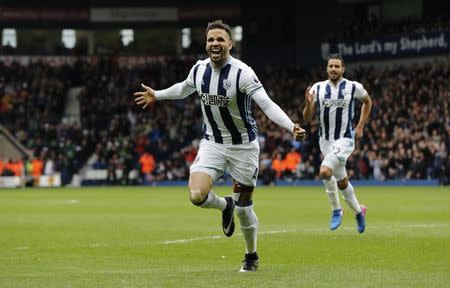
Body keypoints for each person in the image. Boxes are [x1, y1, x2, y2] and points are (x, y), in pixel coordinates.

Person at [134, 20, 306, 272]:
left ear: (230, 44)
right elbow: (183, 89)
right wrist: (157, 95)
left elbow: (267, 105)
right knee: (196, 196)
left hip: (244, 148)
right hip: (212, 144)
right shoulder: (199, 69)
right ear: (206, 44)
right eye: (211, 40)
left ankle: (251, 255)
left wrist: (291, 126)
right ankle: (225, 205)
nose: (215, 44)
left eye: (220, 40)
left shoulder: (243, 73)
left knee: (245, 209)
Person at [303, 53, 372, 233]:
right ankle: (359, 212)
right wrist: (309, 105)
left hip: (345, 138)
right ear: (327, 68)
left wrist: (360, 126)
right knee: (341, 181)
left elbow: (367, 101)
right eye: (331, 66)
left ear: (343, 69)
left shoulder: (352, 87)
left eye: (337, 66)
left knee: (325, 171)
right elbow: (307, 118)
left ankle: (336, 210)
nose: (333, 69)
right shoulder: (317, 88)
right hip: (325, 140)